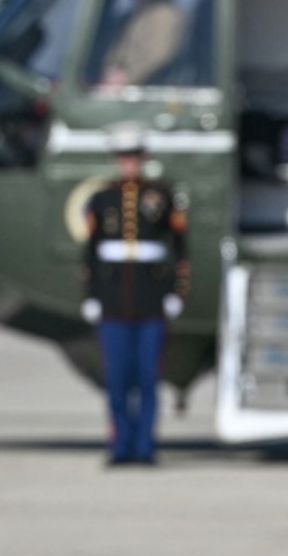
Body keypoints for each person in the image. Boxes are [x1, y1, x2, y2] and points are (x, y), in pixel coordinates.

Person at [81, 123, 189, 466]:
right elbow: (90, 252)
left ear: (144, 158)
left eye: (134, 156)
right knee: (117, 379)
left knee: (147, 378)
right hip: (113, 300)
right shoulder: (102, 199)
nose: (129, 162)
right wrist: (91, 295)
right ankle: (120, 446)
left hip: (151, 298)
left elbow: (180, 249)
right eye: (123, 156)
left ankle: (145, 447)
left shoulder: (162, 195)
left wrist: (176, 292)